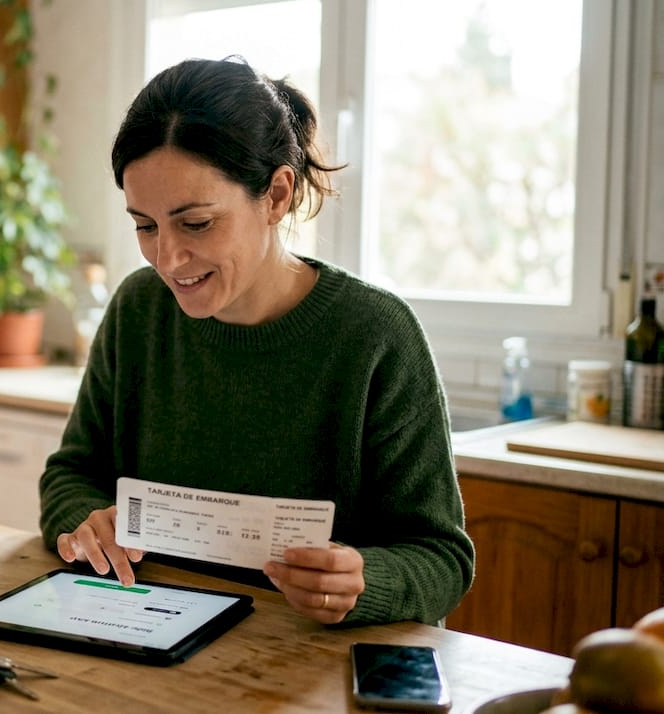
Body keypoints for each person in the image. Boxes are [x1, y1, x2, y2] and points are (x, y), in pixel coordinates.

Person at [38, 57, 473, 626]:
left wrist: (363, 580)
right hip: (155, 637)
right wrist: (86, 521)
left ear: (276, 195)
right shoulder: (138, 310)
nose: (167, 258)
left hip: (312, 665)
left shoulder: (376, 335)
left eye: (195, 223)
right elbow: (70, 474)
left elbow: (442, 557)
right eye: (145, 225)